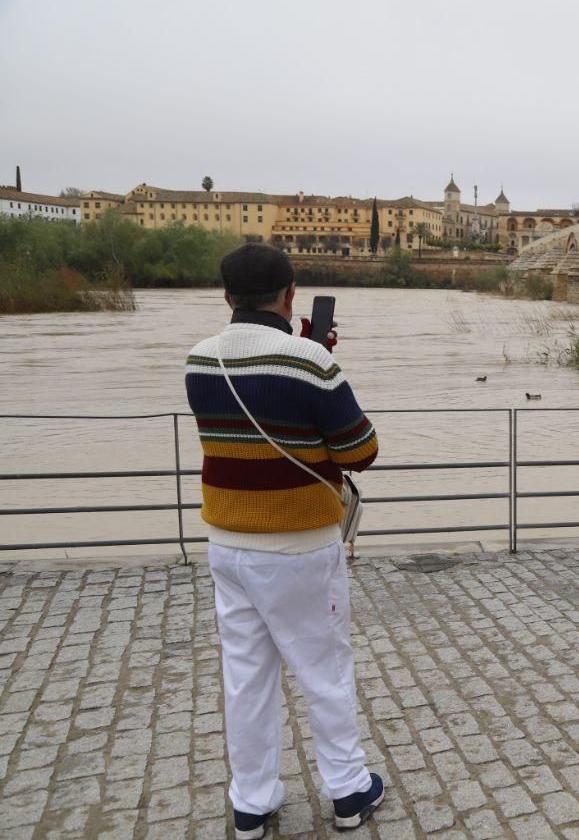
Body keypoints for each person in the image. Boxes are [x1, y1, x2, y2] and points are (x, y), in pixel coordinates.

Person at [185, 244, 384, 839]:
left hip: (227, 541)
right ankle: (348, 792)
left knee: (246, 674)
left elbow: (246, 429)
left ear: (226, 296)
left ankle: (252, 803)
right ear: (290, 293)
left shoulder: (198, 359)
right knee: (322, 667)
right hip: (298, 543)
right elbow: (361, 451)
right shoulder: (311, 362)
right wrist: (317, 359)